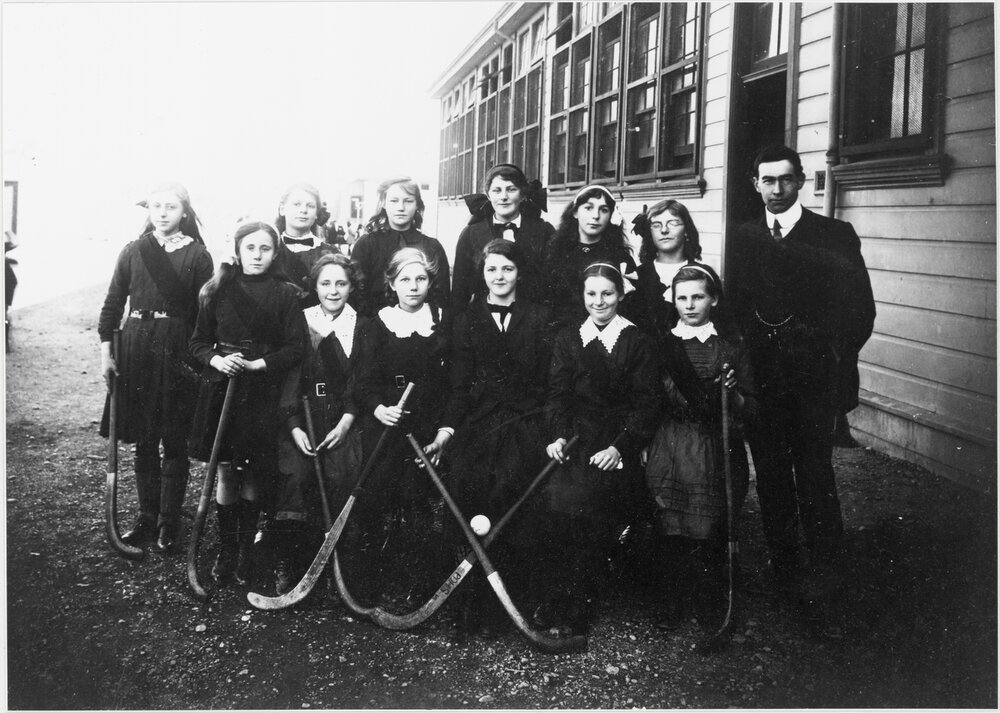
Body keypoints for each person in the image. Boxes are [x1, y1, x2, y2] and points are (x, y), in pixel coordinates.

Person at [728, 145, 876, 607]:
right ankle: (785, 571)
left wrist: (828, 358)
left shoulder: (833, 234)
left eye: (785, 179)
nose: (776, 189)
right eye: (767, 180)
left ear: (799, 181)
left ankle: (828, 573)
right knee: (770, 475)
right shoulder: (745, 236)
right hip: (763, 384)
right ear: (755, 184)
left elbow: (860, 312)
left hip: (814, 382)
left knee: (814, 473)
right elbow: (733, 307)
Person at [537, 263, 661, 637]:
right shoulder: (568, 338)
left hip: (617, 442)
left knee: (592, 511)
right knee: (557, 505)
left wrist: (620, 448)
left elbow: (647, 404)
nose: (599, 301)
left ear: (621, 295)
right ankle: (556, 595)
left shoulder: (637, 341)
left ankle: (580, 604)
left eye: (607, 293)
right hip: (576, 439)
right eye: (591, 293)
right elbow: (556, 396)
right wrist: (558, 435)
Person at [442, 239, 555, 638]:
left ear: (519, 273)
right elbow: (458, 385)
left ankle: (510, 605)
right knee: (468, 491)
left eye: (507, 269)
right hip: (480, 424)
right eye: (492, 270)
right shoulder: (465, 320)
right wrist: (448, 429)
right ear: (482, 273)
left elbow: (547, 383)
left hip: (526, 422)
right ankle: (470, 603)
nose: (500, 277)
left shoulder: (541, 318)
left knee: (515, 494)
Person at [188, 220, 306, 586]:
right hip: (224, 389)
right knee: (226, 470)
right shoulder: (217, 289)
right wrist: (216, 360)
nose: (257, 255)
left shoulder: (286, 294)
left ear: (275, 252)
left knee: (254, 472)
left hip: (261, 391)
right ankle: (226, 550)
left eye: (265, 249)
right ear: (237, 251)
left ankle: (245, 551)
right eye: (250, 248)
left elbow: (296, 347)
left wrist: (259, 363)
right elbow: (197, 343)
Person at [98, 183, 214, 554]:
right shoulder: (133, 251)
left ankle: (169, 522)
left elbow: (204, 316)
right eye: (156, 206)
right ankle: (146, 517)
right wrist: (106, 352)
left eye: (171, 206)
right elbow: (114, 303)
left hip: (177, 349)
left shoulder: (198, 256)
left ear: (185, 212)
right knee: (144, 440)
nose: (162, 212)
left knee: (174, 439)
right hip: (135, 348)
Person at [644, 266, 756, 632]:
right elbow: (648, 400)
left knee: (708, 526)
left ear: (714, 299)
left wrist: (733, 393)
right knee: (669, 525)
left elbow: (752, 407)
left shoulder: (730, 349)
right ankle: (669, 601)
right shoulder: (662, 345)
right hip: (670, 442)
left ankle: (710, 602)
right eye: (681, 298)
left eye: (697, 297)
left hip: (713, 444)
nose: (689, 305)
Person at [349, 247, 452, 604]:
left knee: (420, 500)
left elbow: (455, 383)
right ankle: (370, 581)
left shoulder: (443, 320)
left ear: (430, 282)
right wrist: (379, 410)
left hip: (428, 424)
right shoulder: (377, 324)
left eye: (421, 278)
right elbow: (362, 384)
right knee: (375, 493)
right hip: (387, 423)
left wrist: (443, 432)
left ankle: (422, 584)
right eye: (405, 279)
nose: (413, 286)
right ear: (391, 283)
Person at [272, 253, 367, 594]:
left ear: (352, 286)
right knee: (295, 476)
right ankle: (292, 564)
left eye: (341, 283)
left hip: (344, 417)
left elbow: (363, 380)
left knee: (343, 475)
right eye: (325, 283)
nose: (333, 290)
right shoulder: (300, 321)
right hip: (305, 414)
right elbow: (289, 378)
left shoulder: (363, 324)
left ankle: (343, 568)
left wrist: (346, 421)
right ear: (314, 286)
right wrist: (294, 425)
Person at [450, 163, 552, 313]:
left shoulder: (543, 231)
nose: (504, 197)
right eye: (497, 190)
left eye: (511, 189)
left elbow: (553, 285)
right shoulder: (471, 234)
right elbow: (460, 290)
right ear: (488, 194)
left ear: (522, 194)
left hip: (532, 324)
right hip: (484, 320)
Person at [351, 177, 450, 315]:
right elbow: (356, 293)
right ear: (384, 203)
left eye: (408, 201)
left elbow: (441, 296)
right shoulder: (367, 245)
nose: (401, 208)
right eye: (394, 201)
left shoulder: (432, 247)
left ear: (417, 205)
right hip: (376, 326)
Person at [543, 185, 636, 328]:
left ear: (611, 215)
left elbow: (629, 306)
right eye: (588, 208)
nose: (596, 216)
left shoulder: (620, 258)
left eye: (604, 210)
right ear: (575, 212)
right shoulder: (556, 252)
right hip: (563, 333)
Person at [274, 184, 337, 304]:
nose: (303, 210)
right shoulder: (270, 250)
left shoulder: (330, 253)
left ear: (317, 213)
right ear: (282, 209)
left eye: (310, 206)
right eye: (297, 204)